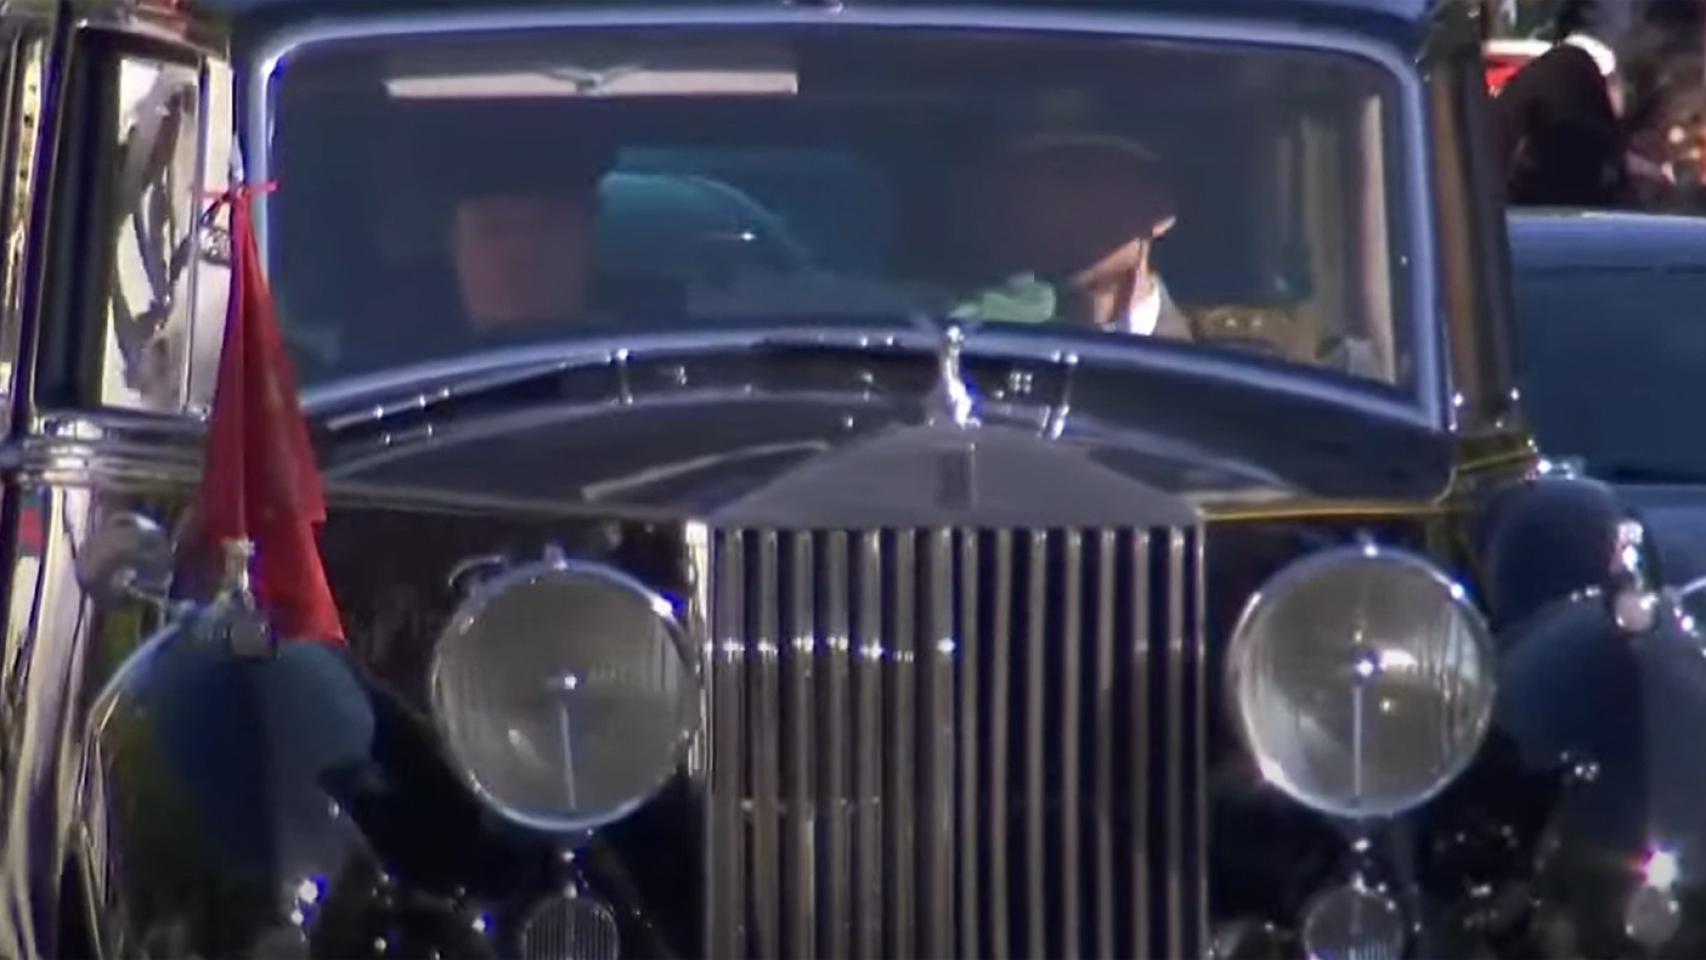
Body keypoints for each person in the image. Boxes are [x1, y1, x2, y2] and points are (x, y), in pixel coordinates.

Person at [951, 133, 1192, 339]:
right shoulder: (979, 337)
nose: (1057, 207)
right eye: (1042, 183)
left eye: (1086, 180)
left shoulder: (1205, 354)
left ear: (1158, 212)